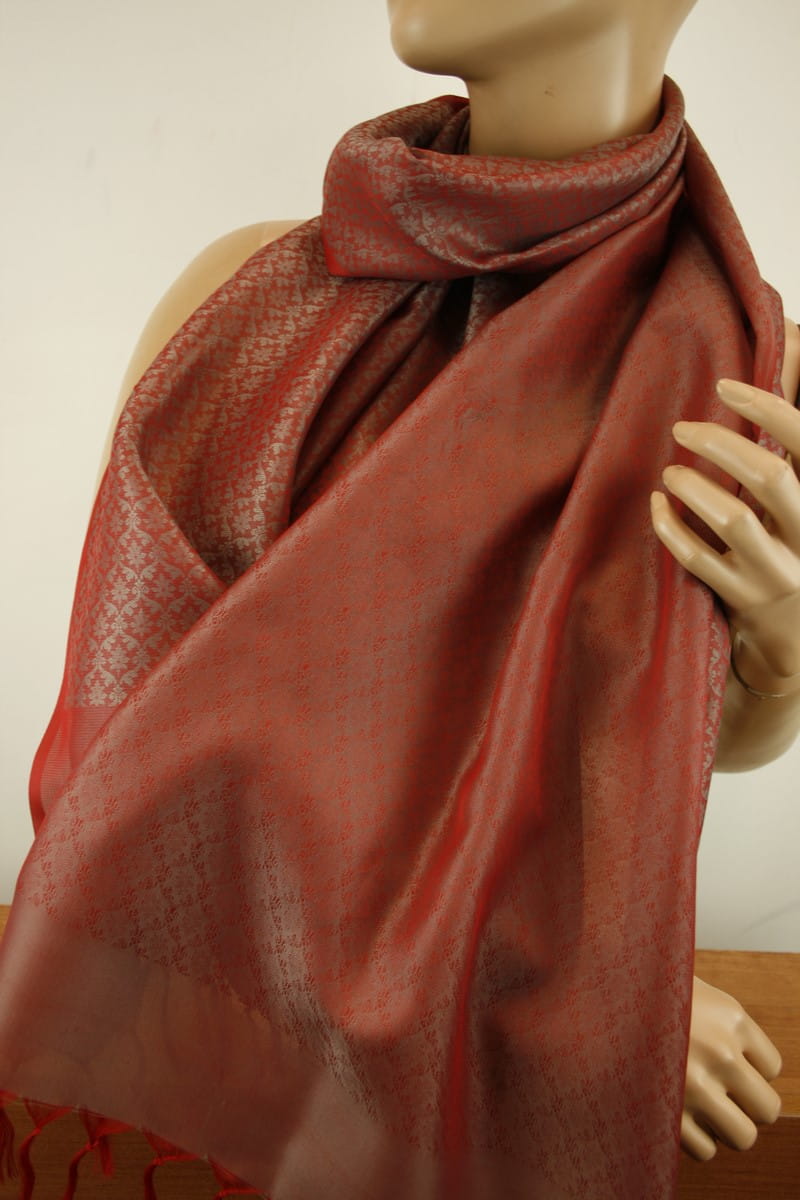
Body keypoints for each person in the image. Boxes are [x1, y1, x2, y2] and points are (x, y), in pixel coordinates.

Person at [0, 1, 798, 1196]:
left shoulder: (747, 379)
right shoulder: (241, 310)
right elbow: (131, 789)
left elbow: (666, 743)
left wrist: (778, 661)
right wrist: (580, 1019)